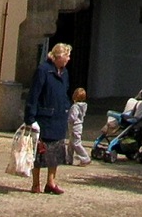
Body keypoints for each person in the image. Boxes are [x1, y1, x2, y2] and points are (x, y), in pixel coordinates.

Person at [25, 41, 72, 195]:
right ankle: (35, 183)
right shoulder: (43, 70)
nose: (69, 59)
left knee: (56, 154)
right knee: (40, 153)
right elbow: (34, 95)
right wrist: (30, 118)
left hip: (59, 118)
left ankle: (51, 182)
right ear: (59, 56)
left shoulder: (64, 72)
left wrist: (67, 107)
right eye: (67, 56)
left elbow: (65, 92)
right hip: (44, 118)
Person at [67, 86, 90, 166]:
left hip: (74, 126)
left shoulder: (75, 107)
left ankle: (85, 158)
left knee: (76, 143)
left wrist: (68, 117)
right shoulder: (84, 106)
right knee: (71, 143)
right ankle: (68, 159)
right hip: (79, 126)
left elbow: (73, 117)